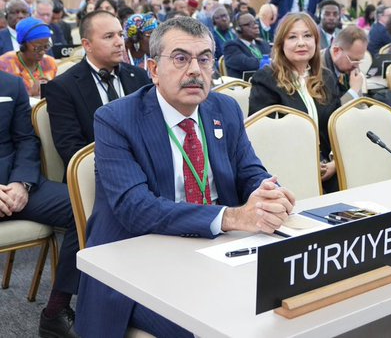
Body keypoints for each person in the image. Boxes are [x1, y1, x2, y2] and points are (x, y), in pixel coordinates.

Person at [75, 17, 294, 337]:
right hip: (139, 260)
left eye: (204, 58)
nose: (195, 69)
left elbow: (248, 170)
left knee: (283, 304)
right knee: (215, 327)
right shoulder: (116, 119)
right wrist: (231, 217)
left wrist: (267, 192)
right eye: (180, 58)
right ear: (152, 68)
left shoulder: (225, 109)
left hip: (217, 250)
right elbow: (135, 209)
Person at [0, 71, 80, 337]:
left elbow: (25, 140)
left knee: (84, 207)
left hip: (17, 184)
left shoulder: (10, 84)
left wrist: (21, 183)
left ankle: (55, 311)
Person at [45, 10, 151, 172]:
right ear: (87, 45)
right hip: (96, 175)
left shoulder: (139, 77)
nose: (119, 42)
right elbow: (71, 150)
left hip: (145, 169)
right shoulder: (63, 88)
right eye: (109, 36)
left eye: (120, 35)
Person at [249, 13, 341, 193]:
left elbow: (336, 129)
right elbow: (263, 140)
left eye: (307, 36)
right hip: (286, 173)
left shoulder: (326, 78)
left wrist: (335, 163)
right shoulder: (266, 80)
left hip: (327, 171)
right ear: (281, 44)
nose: (301, 43)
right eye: (292, 37)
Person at [0, 17, 58, 97]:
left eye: (46, 46)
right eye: (37, 48)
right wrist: (30, 95)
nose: (42, 52)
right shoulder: (5, 63)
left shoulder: (50, 62)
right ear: (23, 46)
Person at [322, 25, 368, 104]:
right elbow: (331, 112)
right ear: (336, 51)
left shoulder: (350, 66)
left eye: (359, 61)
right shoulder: (319, 69)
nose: (356, 66)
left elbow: (360, 106)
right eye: (353, 60)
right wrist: (354, 90)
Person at [223, 13, 271, 78]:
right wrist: (268, 62)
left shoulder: (263, 44)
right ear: (238, 29)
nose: (256, 26)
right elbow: (248, 64)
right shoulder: (231, 47)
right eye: (250, 24)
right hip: (245, 86)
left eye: (255, 22)